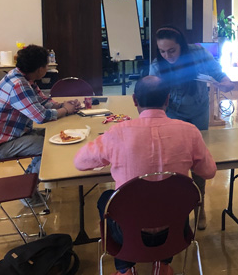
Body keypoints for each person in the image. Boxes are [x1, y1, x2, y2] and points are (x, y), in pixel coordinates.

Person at [74, 76, 217, 275]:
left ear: (134, 100)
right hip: (175, 230)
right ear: (168, 100)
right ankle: (163, 263)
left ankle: (124, 269)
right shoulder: (190, 132)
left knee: (106, 201)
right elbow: (209, 172)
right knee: (173, 199)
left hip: (127, 233)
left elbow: (80, 162)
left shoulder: (117, 133)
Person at [149, 25, 233, 229]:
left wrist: (225, 81)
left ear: (182, 47)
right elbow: (152, 93)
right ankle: (175, 209)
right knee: (172, 161)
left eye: (172, 50)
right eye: (162, 51)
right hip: (172, 113)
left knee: (198, 160)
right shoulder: (157, 65)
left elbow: (217, 72)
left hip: (197, 110)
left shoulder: (197, 53)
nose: (167, 55)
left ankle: (199, 206)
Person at [0, 45, 80, 205]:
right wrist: (66, 111)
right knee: (50, 147)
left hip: (8, 136)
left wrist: (63, 105)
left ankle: (28, 183)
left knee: (52, 138)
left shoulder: (22, 77)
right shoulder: (18, 84)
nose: (47, 68)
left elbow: (42, 101)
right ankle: (28, 195)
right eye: (46, 65)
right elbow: (40, 116)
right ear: (40, 69)